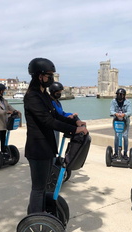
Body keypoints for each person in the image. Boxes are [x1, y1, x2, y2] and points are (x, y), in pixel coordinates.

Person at [24, 57, 88, 214]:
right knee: (38, 188)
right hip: (37, 149)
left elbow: (55, 115)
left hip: (47, 146)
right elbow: (47, 121)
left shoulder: (44, 94)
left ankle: (43, 214)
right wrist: (73, 131)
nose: (51, 78)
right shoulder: (32, 96)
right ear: (39, 76)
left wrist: (74, 123)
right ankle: (35, 219)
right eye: (49, 75)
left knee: (45, 185)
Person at [0, 83, 18, 154]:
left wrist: (14, 110)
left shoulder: (3, 100)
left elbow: (9, 106)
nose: (4, 91)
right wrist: (7, 112)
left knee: (3, 137)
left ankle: (3, 151)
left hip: (4, 122)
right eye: (3, 90)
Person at [49, 82, 78, 147]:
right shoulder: (50, 102)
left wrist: (71, 114)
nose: (59, 94)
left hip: (58, 125)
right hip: (53, 126)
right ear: (53, 92)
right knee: (54, 145)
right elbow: (57, 115)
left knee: (56, 145)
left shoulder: (57, 102)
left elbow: (62, 113)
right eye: (58, 92)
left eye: (60, 92)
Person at [110, 88, 131, 160]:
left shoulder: (127, 102)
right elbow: (111, 110)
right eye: (118, 94)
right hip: (116, 122)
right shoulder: (113, 101)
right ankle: (116, 153)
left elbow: (129, 112)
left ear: (124, 95)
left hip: (125, 122)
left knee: (125, 137)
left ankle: (125, 154)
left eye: (121, 94)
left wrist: (124, 114)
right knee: (117, 137)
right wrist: (115, 113)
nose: (119, 95)